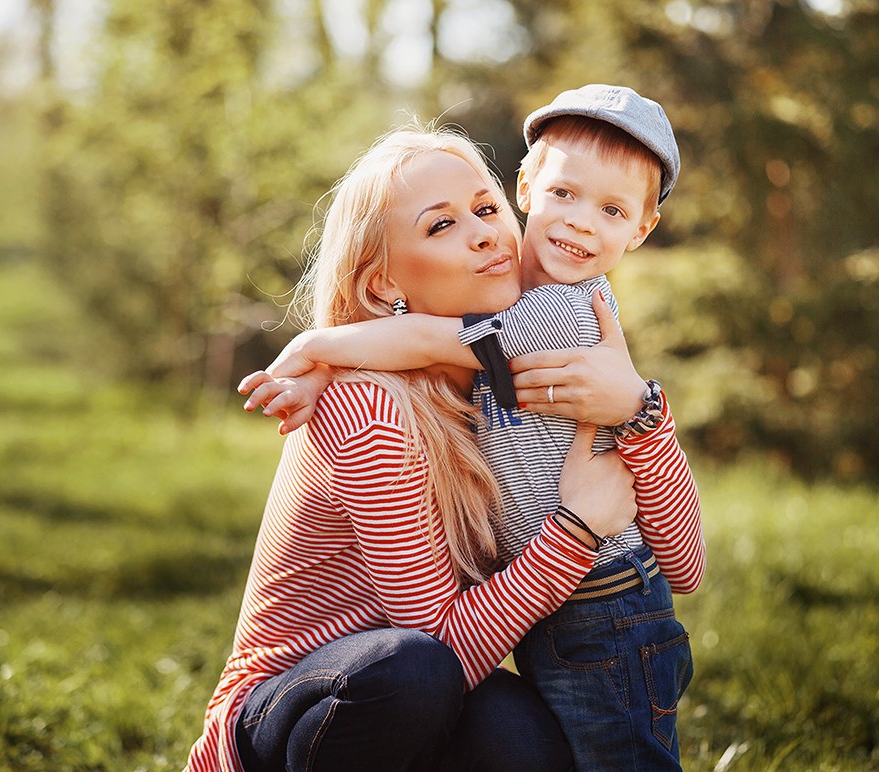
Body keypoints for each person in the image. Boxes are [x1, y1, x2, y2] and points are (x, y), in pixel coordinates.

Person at [186, 125, 682, 772]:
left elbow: (686, 566)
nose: (482, 233)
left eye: (484, 209)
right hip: (291, 715)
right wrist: (577, 531)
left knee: (529, 740)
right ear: (383, 287)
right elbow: (437, 647)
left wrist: (641, 410)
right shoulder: (370, 406)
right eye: (439, 226)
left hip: (424, 693)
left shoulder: (501, 392)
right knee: (411, 672)